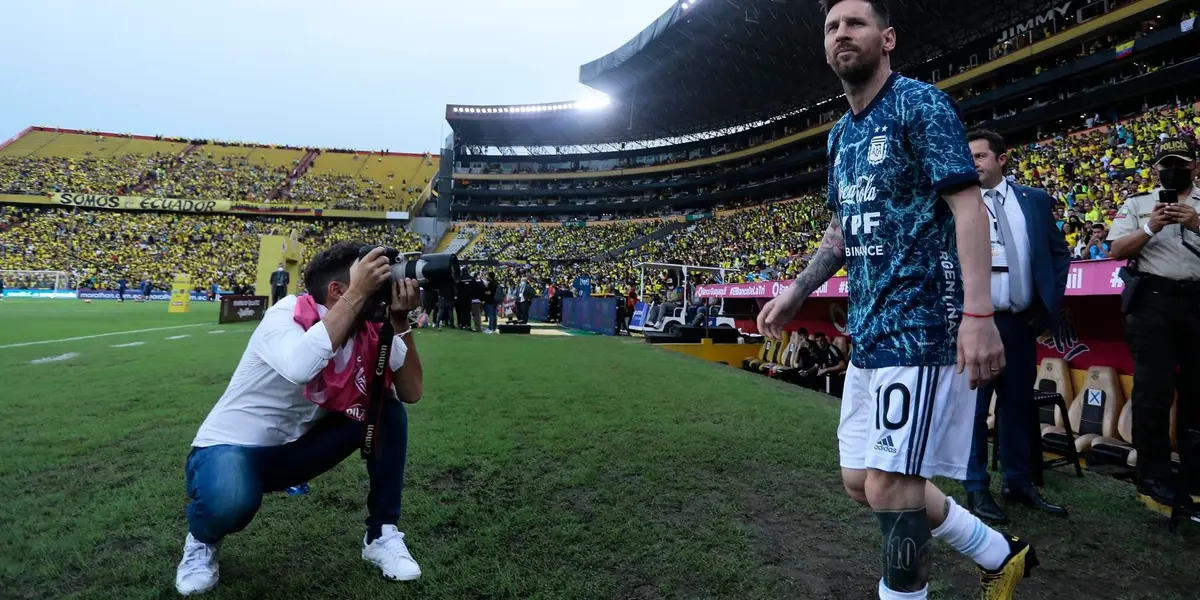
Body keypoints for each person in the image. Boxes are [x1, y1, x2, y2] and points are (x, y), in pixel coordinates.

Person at [758, 2, 1036, 598]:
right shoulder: (839, 136)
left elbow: (968, 206)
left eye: (854, 24)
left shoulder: (920, 104)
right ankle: (999, 552)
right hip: (871, 326)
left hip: (923, 322)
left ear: (886, 38)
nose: (841, 35)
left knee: (892, 487)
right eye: (832, 27)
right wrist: (795, 291)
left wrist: (978, 314)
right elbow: (842, 229)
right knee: (861, 482)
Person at [174, 243, 424, 595]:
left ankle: (381, 534)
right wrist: (359, 293)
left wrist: (399, 320)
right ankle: (202, 540)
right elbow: (301, 367)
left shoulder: (369, 331)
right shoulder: (287, 313)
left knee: (386, 409)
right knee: (230, 500)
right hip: (230, 449)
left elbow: (411, 391)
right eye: (370, 278)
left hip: (295, 455)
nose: (380, 285)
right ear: (338, 290)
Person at [962, 130, 1071, 524]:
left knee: (1018, 405)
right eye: (967, 156)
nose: (972, 162)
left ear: (1001, 158)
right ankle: (976, 488)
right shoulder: (958, 202)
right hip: (976, 325)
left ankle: (1018, 482)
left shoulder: (1035, 201)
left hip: (1021, 323)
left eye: (979, 155)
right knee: (973, 411)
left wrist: (1046, 307)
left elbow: (1059, 255)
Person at [1107, 136, 1200, 505]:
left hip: (1197, 300)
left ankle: (1194, 472)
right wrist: (1150, 228)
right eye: (1165, 164)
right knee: (1152, 391)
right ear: (1157, 170)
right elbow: (1115, 250)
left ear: (1194, 167)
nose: (1172, 170)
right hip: (1153, 302)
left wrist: (1195, 222)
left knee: (1198, 389)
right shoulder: (1137, 204)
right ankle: (1153, 475)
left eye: (1179, 163)